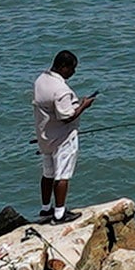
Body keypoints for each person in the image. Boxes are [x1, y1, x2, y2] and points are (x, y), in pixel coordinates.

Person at [29, 49, 88, 223]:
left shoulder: (41, 80)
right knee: (62, 175)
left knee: (48, 173)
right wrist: (84, 105)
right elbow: (66, 117)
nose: (73, 72)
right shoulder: (61, 89)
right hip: (62, 138)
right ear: (63, 67)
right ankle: (60, 214)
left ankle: (46, 209)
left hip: (44, 136)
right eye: (72, 68)